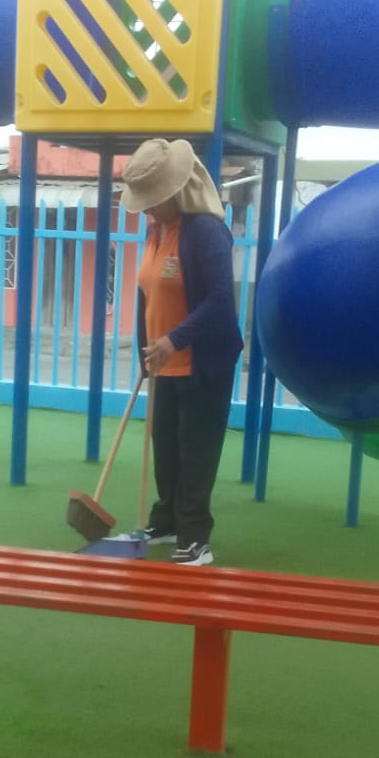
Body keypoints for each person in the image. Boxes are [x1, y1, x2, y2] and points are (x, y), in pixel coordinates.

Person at [119, 137, 243, 566]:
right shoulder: (156, 230)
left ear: (175, 192)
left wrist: (173, 340)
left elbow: (221, 301)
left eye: (153, 200)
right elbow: (147, 293)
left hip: (201, 364)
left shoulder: (206, 232)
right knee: (166, 448)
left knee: (196, 451)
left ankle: (195, 537)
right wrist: (145, 349)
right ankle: (166, 521)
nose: (147, 210)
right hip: (163, 364)